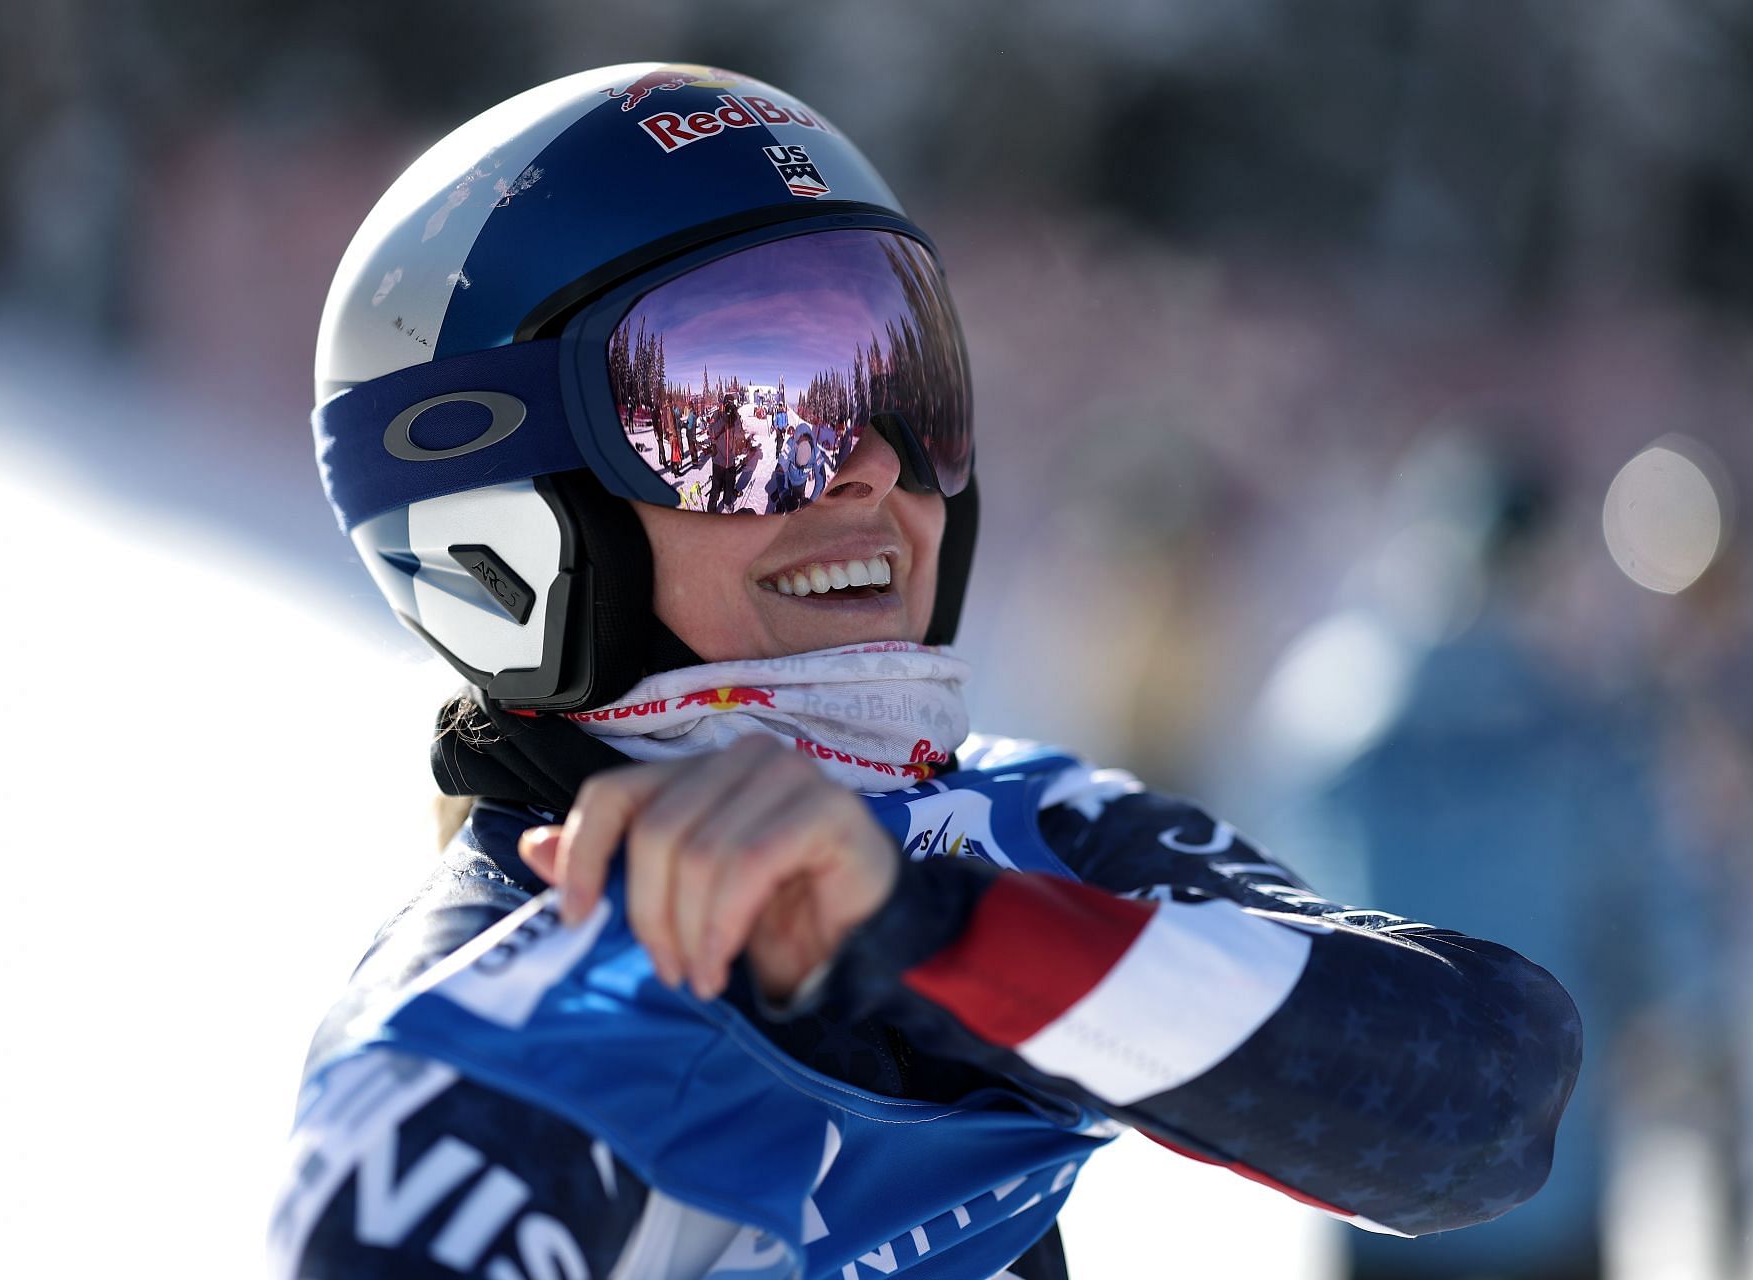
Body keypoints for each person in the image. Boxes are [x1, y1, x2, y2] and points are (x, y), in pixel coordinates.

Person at [275, 64, 1581, 1280]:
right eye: (745, 414)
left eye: (906, 389)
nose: (875, 469)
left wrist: (926, 935)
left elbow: (1489, 1099)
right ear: (502, 512)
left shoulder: (1017, 834)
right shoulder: (479, 1063)